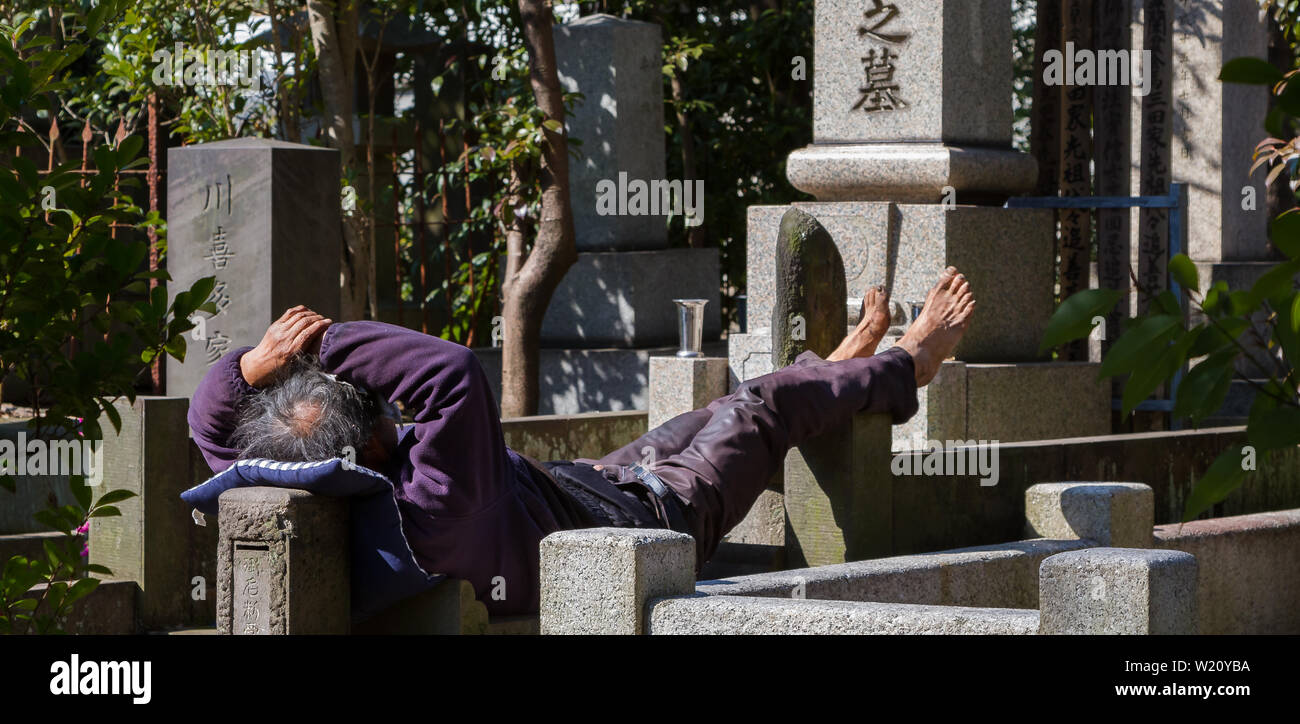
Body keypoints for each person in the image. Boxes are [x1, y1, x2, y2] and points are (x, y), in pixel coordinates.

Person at [189, 268, 975, 616]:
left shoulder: (291, 478)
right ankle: (909, 364)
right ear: (383, 436)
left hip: (580, 490)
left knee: (727, 407)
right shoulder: (436, 504)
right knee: (760, 409)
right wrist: (318, 350)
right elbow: (452, 372)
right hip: (651, 526)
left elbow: (212, 427)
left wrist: (253, 369)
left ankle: (834, 375)